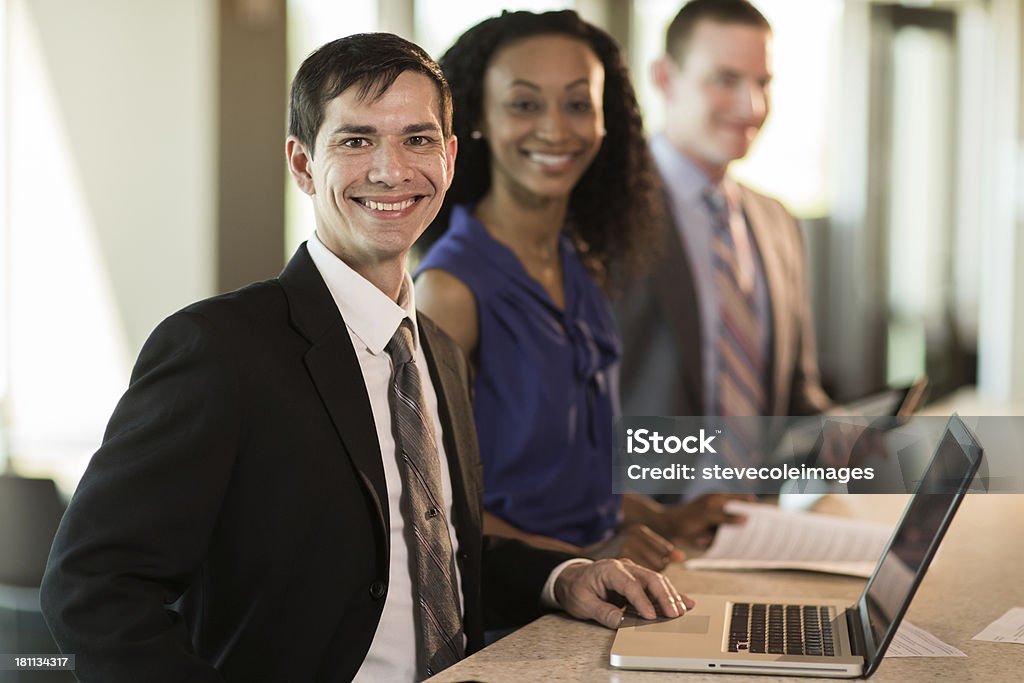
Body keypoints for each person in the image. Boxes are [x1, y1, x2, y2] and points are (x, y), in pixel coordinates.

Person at [39, 33, 691, 683]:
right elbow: (91, 583)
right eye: (355, 141)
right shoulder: (220, 348)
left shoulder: (436, 351)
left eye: (417, 139)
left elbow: (432, 554)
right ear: (301, 164)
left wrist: (563, 575)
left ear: (451, 157)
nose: (391, 169)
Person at [415, 10, 687, 570]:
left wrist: (664, 519)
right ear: (478, 118)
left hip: (597, 585)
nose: (556, 130)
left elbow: (561, 486)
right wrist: (583, 558)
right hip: (513, 618)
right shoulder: (450, 290)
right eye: (524, 103)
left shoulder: (577, 263)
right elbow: (432, 506)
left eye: (577, 103)